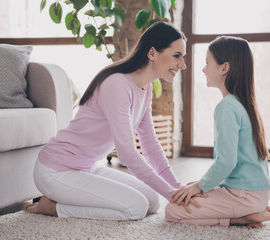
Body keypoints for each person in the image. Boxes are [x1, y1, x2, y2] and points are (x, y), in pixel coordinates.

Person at [26, 22, 187, 221]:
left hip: (87, 167)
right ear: (152, 53)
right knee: (136, 207)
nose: (182, 65)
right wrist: (172, 195)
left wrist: (178, 189)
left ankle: (65, 200)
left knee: (153, 201)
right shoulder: (117, 84)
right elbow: (127, 154)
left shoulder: (145, 89)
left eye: (183, 57)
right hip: (56, 170)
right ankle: (53, 208)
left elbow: (150, 146)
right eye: (177, 56)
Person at [165, 36, 270, 229]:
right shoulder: (243, 103)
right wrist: (202, 184)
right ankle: (249, 212)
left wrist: (199, 187)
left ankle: (245, 218)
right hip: (255, 193)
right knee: (193, 190)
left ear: (224, 68)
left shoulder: (226, 107)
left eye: (207, 63)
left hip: (244, 196)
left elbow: (226, 162)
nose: (203, 69)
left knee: (172, 211)